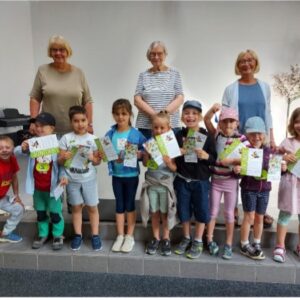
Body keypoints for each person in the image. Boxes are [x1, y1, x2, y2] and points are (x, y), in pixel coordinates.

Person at [222, 49, 275, 228]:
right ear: (238, 66)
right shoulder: (231, 89)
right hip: (240, 137)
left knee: (259, 171)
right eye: (242, 61)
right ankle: (236, 209)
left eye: (250, 60)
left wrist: (271, 138)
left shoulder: (265, 87)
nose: (246, 64)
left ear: (255, 63)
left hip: (260, 137)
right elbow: (225, 115)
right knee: (236, 171)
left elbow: (268, 114)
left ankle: (259, 210)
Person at [15, 112, 67, 250]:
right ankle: (43, 234)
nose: (39, 128)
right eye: (37, 126)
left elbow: (62, 164)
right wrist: (23, 147)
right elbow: (17, 152)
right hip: (37, 188)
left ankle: (57, 234)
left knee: (56, 213)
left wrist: (63, 176)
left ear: (52, 128)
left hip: (53, 188)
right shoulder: (33, 143)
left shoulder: (57, 145)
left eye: (43, 126)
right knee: (41, 212)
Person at [173, 100, 217, 259]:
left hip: (201, 182)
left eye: (194, 113)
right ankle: (186, 237)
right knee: (183, 210)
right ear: (182, 116)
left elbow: (214, 158)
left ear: (199, 117)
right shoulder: (178, 135)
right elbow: (171, 156)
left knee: (201, 210)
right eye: (186, 113)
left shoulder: (207, 136)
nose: (190, 116)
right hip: (182, 179)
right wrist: (179, 151)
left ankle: (198, 240)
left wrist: (206, 156)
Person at [204, 104, 246, 259]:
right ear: (220, 123)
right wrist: (212, 111)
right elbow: (206, 119)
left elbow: (248, 159)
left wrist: (237, 164)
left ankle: (228, 244)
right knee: (212, 212)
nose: (228, 125)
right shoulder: (216, 135)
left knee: (229, 214)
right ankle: (209, 240)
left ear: (237, 123)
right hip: (215, 181)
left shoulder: (242, 139)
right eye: (225, 121)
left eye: (232, 121)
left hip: (231, 183)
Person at [29, 35, 94, 136]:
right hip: (47, 132)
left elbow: (87, 102)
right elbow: (35, 98)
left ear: (68, 52)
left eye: (62, 50)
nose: (58, 53)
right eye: (54, 50)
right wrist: (33, 121)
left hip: (75, 132)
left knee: (73, 153)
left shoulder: (79, 73)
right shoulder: (42, 71)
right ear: (50, 53)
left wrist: (89, 124)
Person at [105, 99, 146, 253]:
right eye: (117, 114)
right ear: (113, 115)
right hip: (116, 175)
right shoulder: (110, 133)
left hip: (131, 175)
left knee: (129, 204)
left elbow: (147, 149)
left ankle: (130, 236)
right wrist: (102, 154)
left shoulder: (136, 134)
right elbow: (105, 153)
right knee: (119, 204)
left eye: (124, 114)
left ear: (130, 115)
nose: (120, 117)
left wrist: (140, 154)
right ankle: (120, 235)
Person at [58, 106, 101, 251]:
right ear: (71, 122)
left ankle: (95, 235)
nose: (80, 124)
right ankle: (78, 235)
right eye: (76, 121)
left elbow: (98, 161)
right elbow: (60, 162)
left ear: (88, 120)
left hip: (89, 178)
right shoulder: (66, 138)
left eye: (83, 120)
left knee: (92, 207)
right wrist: (63, 157)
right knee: (76, 208)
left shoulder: (94, 139)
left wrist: (92, 158)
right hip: (72, 179)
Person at [233, 117, 274, 260]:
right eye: (252, 134)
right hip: (249, 188)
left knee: (260, 217)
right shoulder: (244, 150)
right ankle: (244, 243)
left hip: (265, 189)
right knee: (249, 216)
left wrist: (282, 168)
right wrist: (236, 169)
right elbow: (238, 171)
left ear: (264, 134)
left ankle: (257, 242)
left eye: (259, 133)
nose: (256, 137)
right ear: (247, 135)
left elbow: (274, 172)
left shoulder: (269, 151)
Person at [140, 111, 178, 256]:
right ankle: (155, 238)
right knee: (154, 212)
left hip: (165, 185)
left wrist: (169, 163)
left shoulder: (172, 145)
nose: (159, 131)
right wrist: (146, 155)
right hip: (151, 183)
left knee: (165, 212)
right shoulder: (149, 143)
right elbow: (145, 164)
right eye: (156, 128)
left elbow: (175, 168)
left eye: (162, 128)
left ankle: (166, 238)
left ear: (169, 128)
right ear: (152, 128)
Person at [134, 41, 184, 140]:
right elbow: (137, 99)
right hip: (147, 126)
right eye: (153, 54)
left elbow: (180, 97)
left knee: (171, 155)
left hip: (171, 125)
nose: (156, 57)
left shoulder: (175, 73)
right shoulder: (143, 75)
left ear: (165, 55)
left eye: (159, 53)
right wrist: (154, 116)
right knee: (149, 155)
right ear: (149, 56)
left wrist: (164, 115)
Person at [273, 108, 300, 263]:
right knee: (285, 215)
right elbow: (274, 163)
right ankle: (280, 245)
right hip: (289, 184)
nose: (299, 125)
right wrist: (283, 158)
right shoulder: (287, 143)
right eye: (297, 121)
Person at [0, 135, 24, 243]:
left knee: (19, 208)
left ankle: (5, 233)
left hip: (2, 198)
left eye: (7, 147)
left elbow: (14, 178)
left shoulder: (12, 159)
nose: (4, 150)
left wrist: (16, 196)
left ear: (13, 148)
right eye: (0, 148)